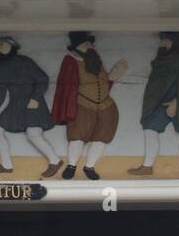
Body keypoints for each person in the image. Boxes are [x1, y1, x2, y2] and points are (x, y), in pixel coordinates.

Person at [0, 36, 62, 178]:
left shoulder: (24, 61)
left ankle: (55, 161)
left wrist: (35, 98)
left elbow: (43, 79)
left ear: (12, 45)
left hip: (33, 102)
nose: (0, 47)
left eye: (3, 44)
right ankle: (6, 165)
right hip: (15, 103)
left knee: (33, 134)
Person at [52, 32, 127, 180]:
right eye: (86, 44)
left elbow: (104, 84)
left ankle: (90, 167)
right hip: (83, 105)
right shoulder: (71, 61)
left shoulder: (96, 62)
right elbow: (66, 86)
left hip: (106, 106)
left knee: (102, 138)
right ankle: (71, 166)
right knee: (77, 136)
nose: (90, 46)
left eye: (90, 44)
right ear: (77, 47)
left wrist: (113, 76)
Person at [129, 32, 179, 178]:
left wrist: (177, 103)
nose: (162, 44)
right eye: (162, 41)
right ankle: (147, 166)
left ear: (175, 43)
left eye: (166, 41)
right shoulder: (160, 60)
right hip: (159, 103)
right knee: (150, 129)